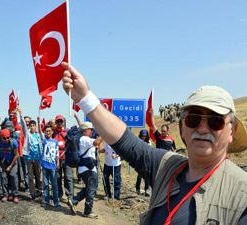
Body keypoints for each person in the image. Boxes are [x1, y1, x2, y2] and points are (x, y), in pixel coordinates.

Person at [61, 62, 247, 224]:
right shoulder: (166, 166)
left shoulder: (242, 196)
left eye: (215, 121)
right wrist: (85, 98)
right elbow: (125, 141)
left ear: (232, 131)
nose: (203, 129)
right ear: (182, 128)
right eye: (194, 120)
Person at [68, 122, 103, 219]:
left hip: (85, 168)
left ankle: (74, 200)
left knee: (89, 188)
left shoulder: (84, 139)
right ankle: (87, 212)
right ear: (85, 130)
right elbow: (96, 142)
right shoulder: (85, 139)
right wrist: (104, 134)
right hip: (89, 169)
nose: (92, 131)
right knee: (92, 189)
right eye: (90, 129)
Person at [18, 107, 42, 200]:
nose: (32, 127)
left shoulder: (38, 135)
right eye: (31, 125)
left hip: (37, 159)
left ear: (35, 127)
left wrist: (39, 122)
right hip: (29, 159)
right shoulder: (27, 134)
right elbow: (23, 125)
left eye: (33, 125)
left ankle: (39, 190)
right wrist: (21, 114)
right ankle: (32, 193)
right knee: (30, 176)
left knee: (38, 176)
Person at [0, 129, 20, 203]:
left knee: (13, 176)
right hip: (2, 161)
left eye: (8, 137)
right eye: (4, 138)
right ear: (0, 137)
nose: (6, 139)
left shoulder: (14, 142)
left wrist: (10, 166)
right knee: (3, 177)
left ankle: (15, 195)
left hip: (12, 161)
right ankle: (5, 194)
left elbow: (17, 155)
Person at [38, 122, 61, 209]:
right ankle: (46, 202)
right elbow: (40, 132)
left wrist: (58, 162)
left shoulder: (55, 141)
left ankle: (56, 203)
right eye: (46, 131)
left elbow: (57, 153)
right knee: (46, 185)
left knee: (54, 185)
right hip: (44, 166)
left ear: (52, 132)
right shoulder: (44, 140)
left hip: (53, 166)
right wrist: (38, 121)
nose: (47, 132)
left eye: (49, 131)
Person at [53, 114, 74, 201]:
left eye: (61, 121)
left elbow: (72, 143)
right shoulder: (53, 132)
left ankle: (70, 196)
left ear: (63, 122)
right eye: (57, 121)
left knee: (68, 177)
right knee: (58, 177)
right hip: (56, 158)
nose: (59, 123)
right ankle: (59, 194)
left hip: (66, 158)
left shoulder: (67, 131)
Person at [135, 129, 151, 196]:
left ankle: (147, 189)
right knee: (139, 176)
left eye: (145, 136)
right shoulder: (137, 141)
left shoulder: (149, 143)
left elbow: (150, 151)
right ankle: (137, 189)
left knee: (146, 176)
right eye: (142, 136)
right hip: (139, 161)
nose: (143, 137)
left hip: (146, 161)